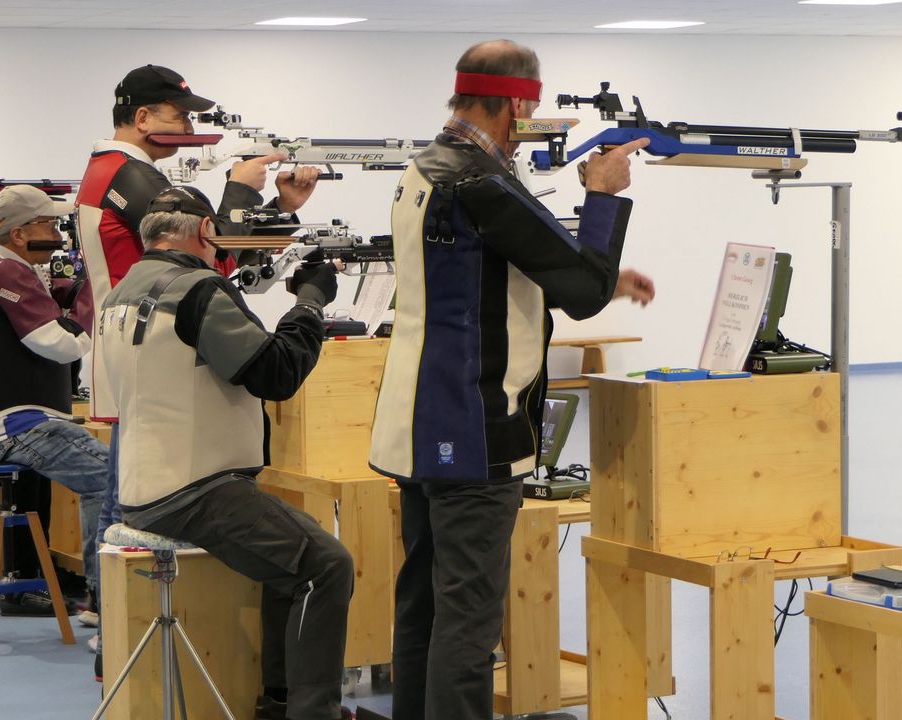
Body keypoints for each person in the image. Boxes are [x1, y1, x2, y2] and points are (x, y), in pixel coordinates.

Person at [368, 40, 656, 720]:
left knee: (424, 607)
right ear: (519, 105)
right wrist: (602, 194)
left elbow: (490, 275)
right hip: (474, 430)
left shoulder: (427, 170)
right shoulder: (482, 182)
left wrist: (600, 274)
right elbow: (580, 294)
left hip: (416, 422)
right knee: (468, 621)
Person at [75, 63, 321, 644]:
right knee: (129, 498)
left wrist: (279, 212)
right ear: (142, 117)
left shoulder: (109, 171)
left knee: (126, 489)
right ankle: (116, 626)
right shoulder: (131, 178)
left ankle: (109, 617)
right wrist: (241, 190)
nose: (188, 126)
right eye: (179, 114)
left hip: (136, 345)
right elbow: (204, 251)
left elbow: (221, 259)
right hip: (156, 350)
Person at [99, 186, 354, 720]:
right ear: (206, 231)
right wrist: (309, 303)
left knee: (292, 561)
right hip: (196, 488)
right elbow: (276, 373)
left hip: (145, 484)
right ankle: (311, 711)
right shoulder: (197, 290)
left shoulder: (123, 289)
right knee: (326, 565)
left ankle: (282, 702)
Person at [0, 185, 109, 616]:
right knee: (108, 476)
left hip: (0, 422)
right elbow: (62, 346)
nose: (59, 232)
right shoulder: (7, 273)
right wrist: (92, 294)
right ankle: (104, 598)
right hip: (10, 425)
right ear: (21, 234)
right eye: (50, 223)